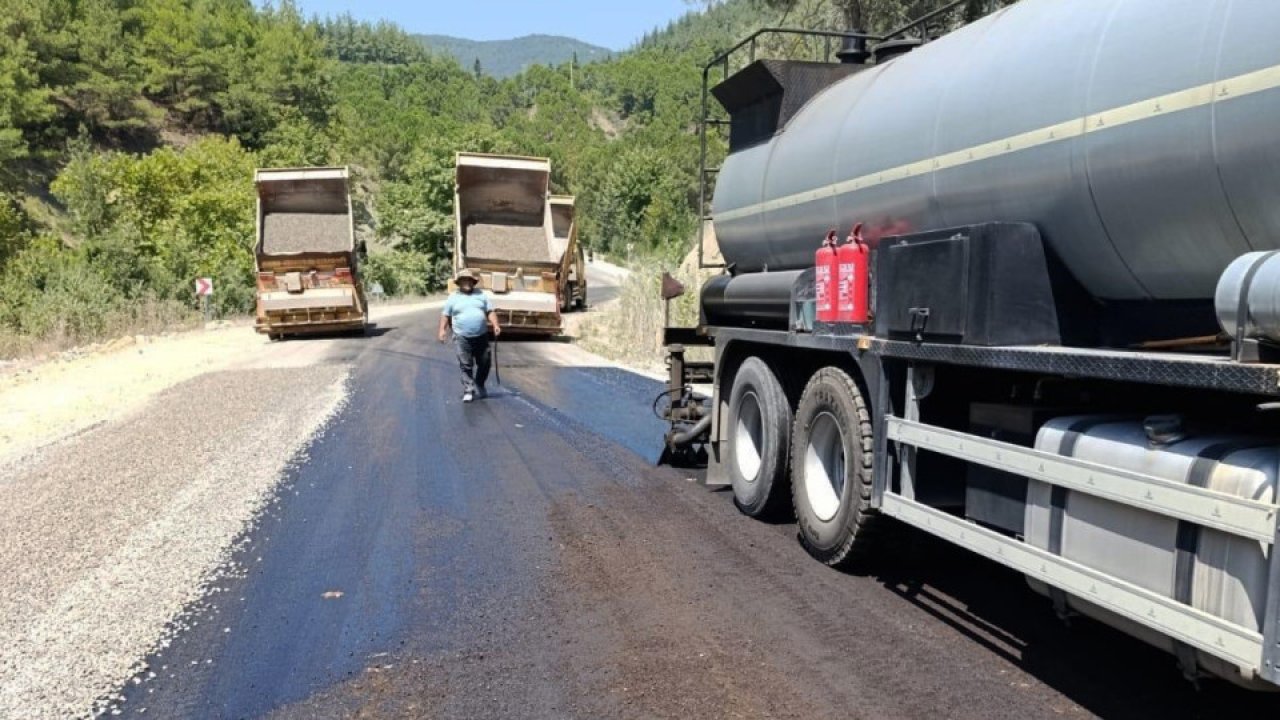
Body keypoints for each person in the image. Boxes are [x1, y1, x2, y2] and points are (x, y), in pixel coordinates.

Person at [438, 269, 501, 402]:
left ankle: (479, 383)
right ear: (459, 283)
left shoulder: (481, 295)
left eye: (469, 280)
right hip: (462, 337)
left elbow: (490, 311)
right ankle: (468, 389)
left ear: (473, 282)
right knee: (466, 364)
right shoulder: (453, 297)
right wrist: (442, 331)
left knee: (485, 363)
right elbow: (446, 315)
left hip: (481, 336)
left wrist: (495, 325)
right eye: (464, 280)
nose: (467, 282)